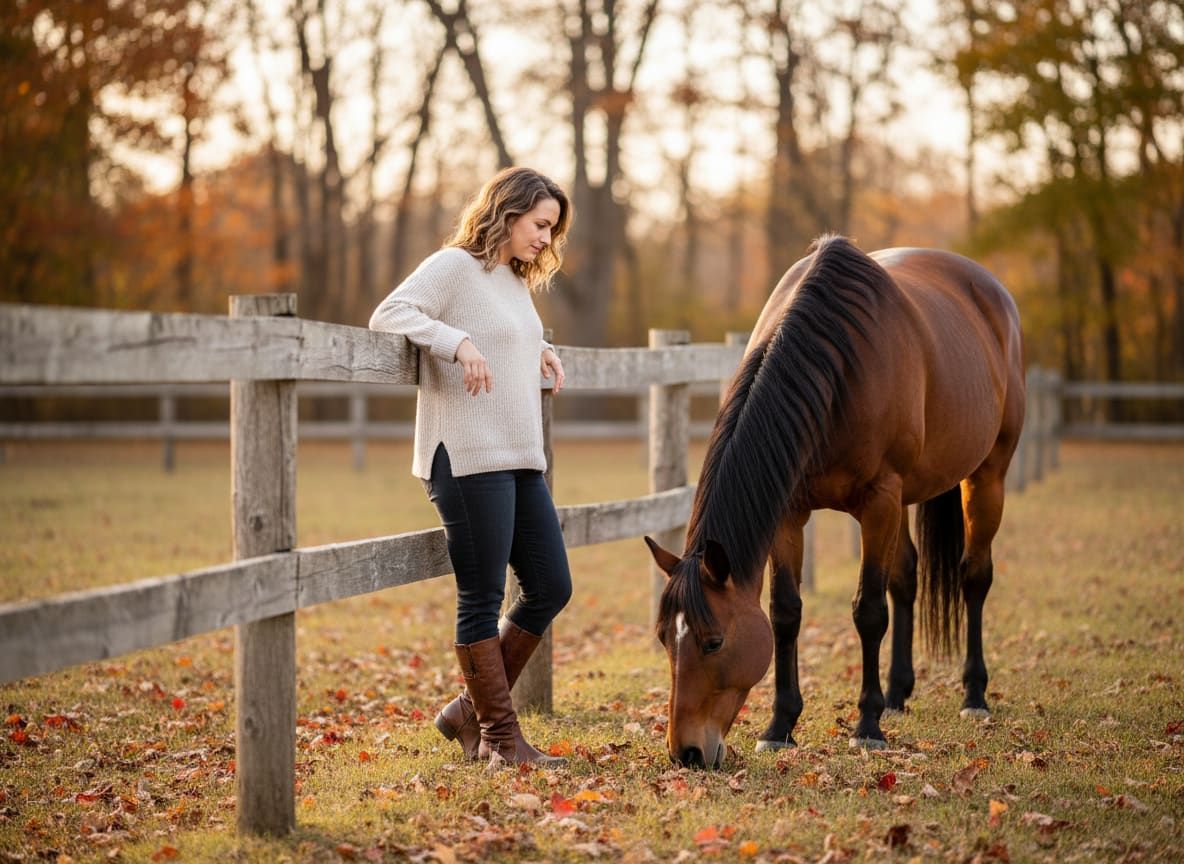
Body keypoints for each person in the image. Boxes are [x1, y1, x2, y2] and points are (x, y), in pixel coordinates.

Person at [369, 167, 574, 768]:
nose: (545, 240)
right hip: (463, 456)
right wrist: (453, 342)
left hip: (517, 453)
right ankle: (501, 741)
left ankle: (468, 712)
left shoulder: (513, 280)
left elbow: (504, 334)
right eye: (540, 225)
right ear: (507, 213)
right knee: (481, 596)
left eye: (552, 231)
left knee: (551, 585)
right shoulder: (454, 266)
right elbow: (390, 314)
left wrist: (538, 350)